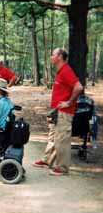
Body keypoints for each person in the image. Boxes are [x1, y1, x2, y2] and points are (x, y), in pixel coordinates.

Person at [33, 48, 83, 176]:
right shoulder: (60, 72)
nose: (51, 57)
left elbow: (78, 87)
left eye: (53, 55)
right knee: (53, 136)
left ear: (60, 57)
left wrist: (69, 102)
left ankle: (62, 168)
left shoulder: (66, 70)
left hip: (64, 112)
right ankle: (47, 161)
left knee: (62, 139)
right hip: (55, 111)